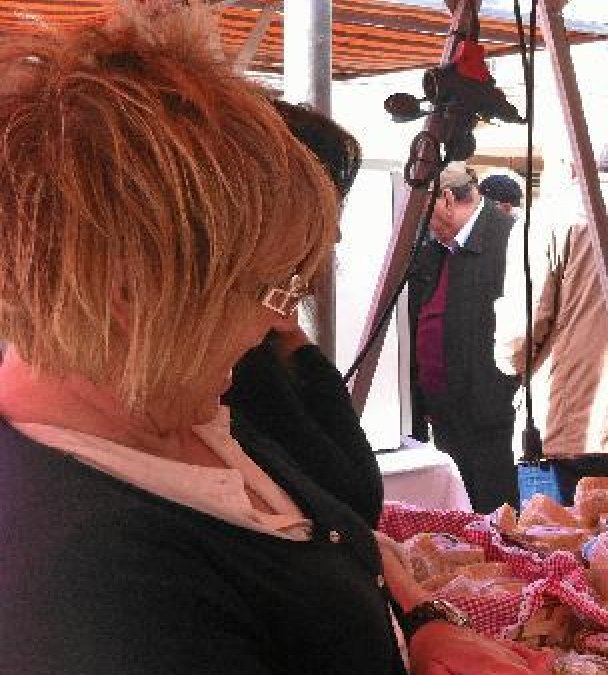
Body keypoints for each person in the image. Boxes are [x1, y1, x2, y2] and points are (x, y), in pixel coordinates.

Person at [0, 7, 547, 674]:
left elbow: (347, 533)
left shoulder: (176, 406)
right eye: (268, 288)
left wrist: (424, 625)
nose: (275, 322)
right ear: (131, 292)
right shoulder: (88, 584)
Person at [494, 133, 608, 501]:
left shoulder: (545, 218)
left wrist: (508, 363)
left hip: (566, 431)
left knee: (554, 552)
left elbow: (521, 332)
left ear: (565, 168)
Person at [222, 99, 384, 526]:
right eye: (324, 210)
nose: (335, 234)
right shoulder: (233, 354)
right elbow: (354, 495)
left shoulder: (263, 337)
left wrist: (295, 340)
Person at [409, 163, 520, 513]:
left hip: (486, 420)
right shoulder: (440, 249)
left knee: (491, 517)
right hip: (446, 416)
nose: (422, 224)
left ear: (444, 199)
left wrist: (492, 397)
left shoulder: (507, 240)